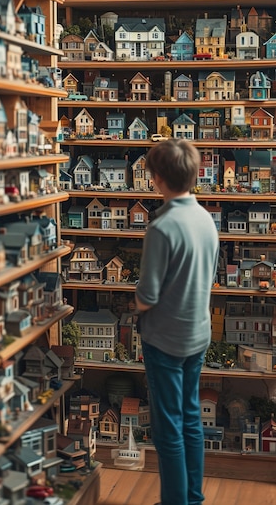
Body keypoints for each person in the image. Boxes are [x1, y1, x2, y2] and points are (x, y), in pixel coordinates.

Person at [135, 139, 219, 505]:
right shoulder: (206, 219)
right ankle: (192, 499)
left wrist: (135, 298)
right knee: (190, 420)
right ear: (194, 173)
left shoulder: (161, 227)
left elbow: (147, 297)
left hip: (165, 339)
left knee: (167, 430)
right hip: (197, 335)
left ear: (157, 178)